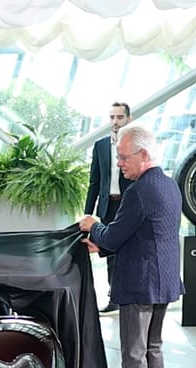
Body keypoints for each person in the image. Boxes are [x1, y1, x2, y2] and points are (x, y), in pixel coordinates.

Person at [78, 124, 184, 368]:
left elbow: (113, 235)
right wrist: (103, 246)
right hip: (165, 281)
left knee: (134, 353)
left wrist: (93, 226)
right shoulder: (170, 186)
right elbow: (143, 235)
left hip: (140, 283)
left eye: (124, 157)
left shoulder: (138, 192)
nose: (120, 164)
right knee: (153, 347)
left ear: (143, 154)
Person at [84, 102, 133, 313]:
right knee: (109, 252)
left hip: (129, 205)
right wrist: (88, 213)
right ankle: (115, 297)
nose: (115, 121)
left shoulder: (136, 145)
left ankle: (130, 295)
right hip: (108, 206)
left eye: (120, 117)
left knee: (130, 251)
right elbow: (94, 181)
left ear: (129, 119)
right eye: (112, 117)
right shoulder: (101, 146)